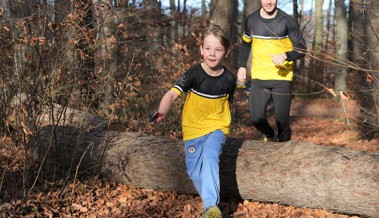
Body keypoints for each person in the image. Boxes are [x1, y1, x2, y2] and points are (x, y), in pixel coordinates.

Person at [151, 23, 235, 218]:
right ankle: (210, 201)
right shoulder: (193, 74)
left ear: (227, 52)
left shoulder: (228, 79)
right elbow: (171, 95)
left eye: (218, 49)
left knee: (210, 156)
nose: (212, 54)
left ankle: (210, 207)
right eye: (208, 48)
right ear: (201, 49)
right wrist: (162, 111)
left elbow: (227, 104)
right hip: (192, 130)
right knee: (194, 172)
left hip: (217, 127)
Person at [237, 0, 307, 142]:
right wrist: (242, 65)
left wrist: (286, 55)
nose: (269, 2)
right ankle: (270, 136)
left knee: (282, 120)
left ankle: (284, 152)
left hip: (282, 77)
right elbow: (245, 44)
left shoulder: (287, 21)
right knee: (257, 119)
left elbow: (302, 49)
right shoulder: (251, 20)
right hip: (259, 76)